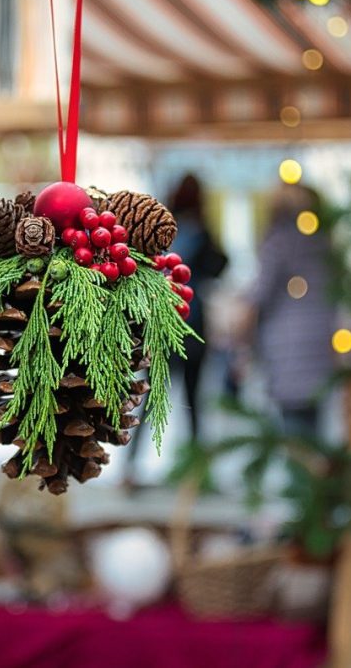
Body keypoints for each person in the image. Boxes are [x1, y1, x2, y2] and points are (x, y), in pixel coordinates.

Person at [124, 173, 227, 486]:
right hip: (192, 329)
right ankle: (197, 474)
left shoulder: (159, 234)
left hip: (160, 329)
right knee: (195, 404)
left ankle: (130, 470)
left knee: (151, 399)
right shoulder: (201, 233)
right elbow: (222, 265)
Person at [243, 184, 335, 437]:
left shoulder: (278, 243)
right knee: (313, 427)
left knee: (294, 432)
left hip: (287, 345)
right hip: (322, 341)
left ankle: (303, 474)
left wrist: (241, 334)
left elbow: (260, 295)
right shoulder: (324, 242)